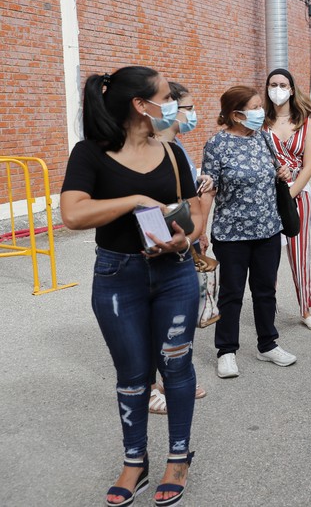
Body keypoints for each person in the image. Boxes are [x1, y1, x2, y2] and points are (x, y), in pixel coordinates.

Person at [60, 66, 202, 506]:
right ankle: (134, 462)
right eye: (165, 96)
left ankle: (178, 457)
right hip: (118, 277)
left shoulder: (173, 151)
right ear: (142, 106)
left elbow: (194, 211)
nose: (173, 105)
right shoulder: (91, 153)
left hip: (176, 272)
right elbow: (73, 214)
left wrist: (187, 236)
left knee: (176, 366)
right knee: (133, 375)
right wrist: (136, 200)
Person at [201, 85, 297, 378]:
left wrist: (284, 172)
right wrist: (201, 232)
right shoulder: (216, 145)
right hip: (231, 234)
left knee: (266, 290)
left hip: (267, 229)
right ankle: (226, 351)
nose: (260, 112)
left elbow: (277, 170)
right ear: (235, 114)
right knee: (231, 293)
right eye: (254, 107)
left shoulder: (263, 138)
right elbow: (209, 189)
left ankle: (267, 344)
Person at [149, 81, 211, 413]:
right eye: (185, 107)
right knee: (157, 316)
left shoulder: (179, 149)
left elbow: (189, 200)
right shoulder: (153, 149)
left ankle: (173, 374)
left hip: (184, 240)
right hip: (162, 244)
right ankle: (153, 382)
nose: (190, 114)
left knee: (181, 312)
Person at [263, 68, 311, 331]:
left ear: (291, 89)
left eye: (282, 84)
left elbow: (310, 165)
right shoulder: (261, 123)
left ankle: (306, 308)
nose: (277, 88)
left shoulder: (306, 121)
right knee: (268, 257)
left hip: (297, 194)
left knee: (299, 254)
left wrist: (289, 195)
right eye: (273, 84)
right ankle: (266, 309)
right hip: (266, 196)